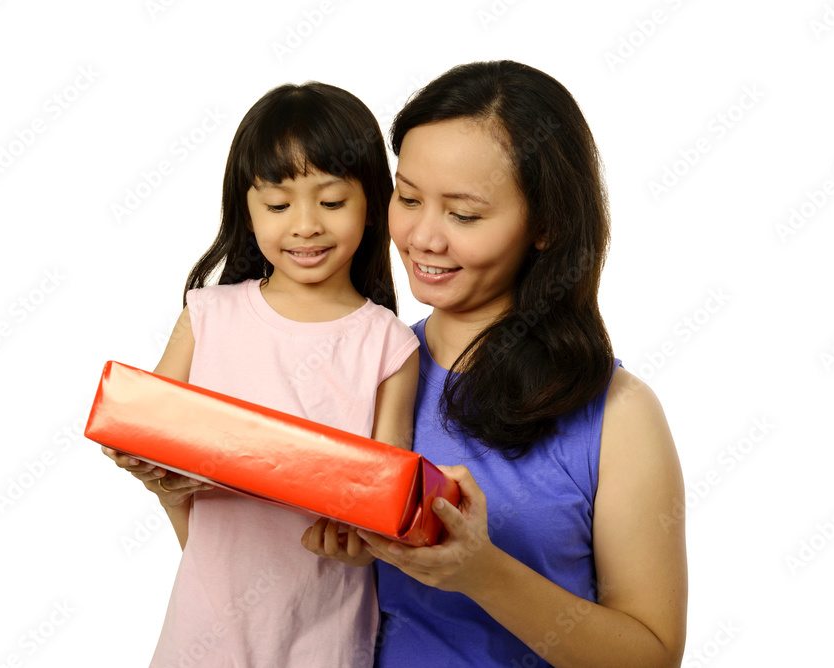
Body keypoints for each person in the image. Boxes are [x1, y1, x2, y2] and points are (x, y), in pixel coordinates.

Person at [315, 60, 688, 667]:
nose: (423, 237)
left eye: (464, 214)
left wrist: (481, 572)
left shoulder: (618, 416)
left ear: (545, 223)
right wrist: (178, 495)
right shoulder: (361, 370)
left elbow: (652, 656)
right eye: (407, 198)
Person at [102, 81, 420, 667]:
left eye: (331, 202)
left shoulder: (388, 345)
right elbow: (148, 433)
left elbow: (387, 504)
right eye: (278, 205)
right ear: (246, 212)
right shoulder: (207, 315)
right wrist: (140, 458)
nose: (304, 226)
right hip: (202, 629)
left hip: (325, 633)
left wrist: (364, 543)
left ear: (372, 202)